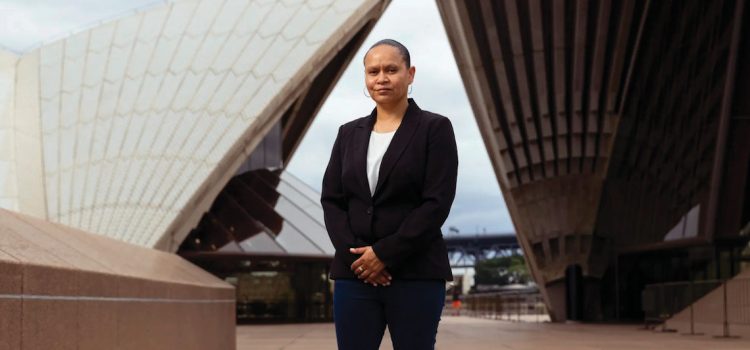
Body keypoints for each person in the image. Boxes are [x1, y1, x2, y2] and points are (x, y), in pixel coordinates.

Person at [321, 38, 458, 350]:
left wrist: (383, 254)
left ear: (409, 75)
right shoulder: (348, 134)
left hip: (415, 273)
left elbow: (436, 203)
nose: (381, 78)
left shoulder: (434, 129)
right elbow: (332, 201)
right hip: (354, 276)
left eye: (391, 70)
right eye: (373, 71)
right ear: (366, 78)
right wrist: (359, 259)